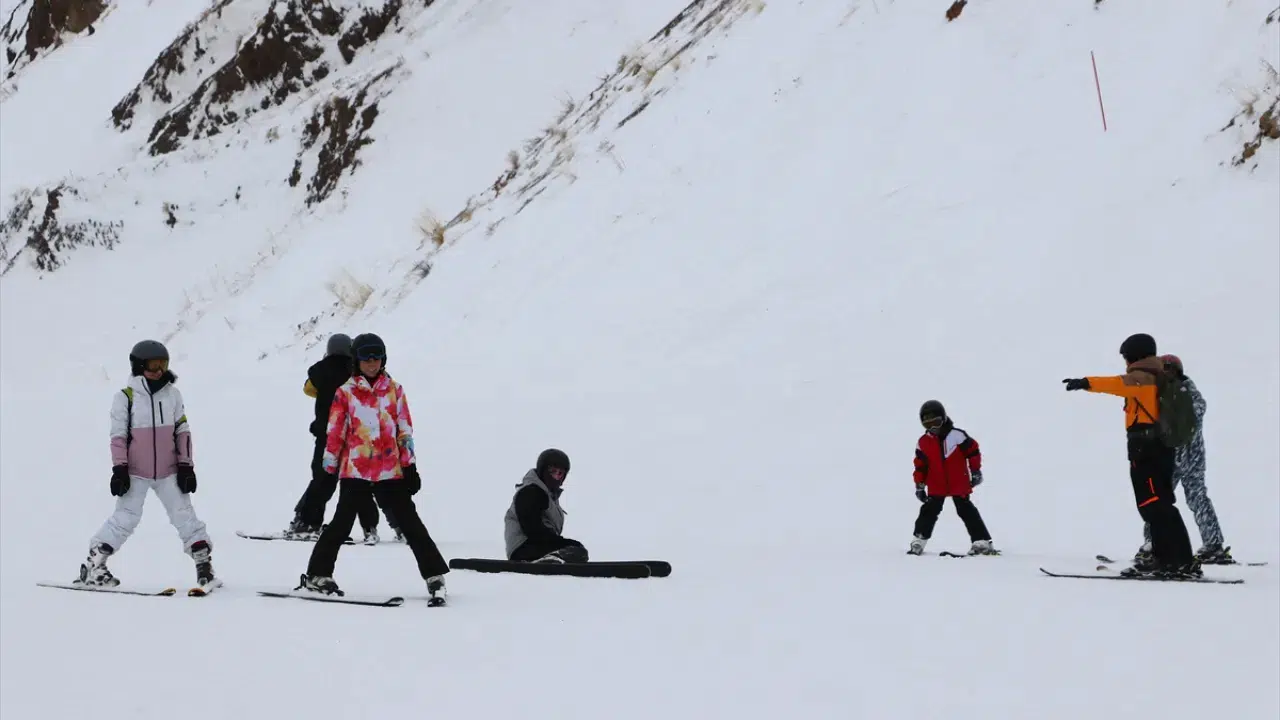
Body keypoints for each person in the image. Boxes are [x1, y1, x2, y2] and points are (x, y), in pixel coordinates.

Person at [297, 333, 448, 599]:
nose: (371, 362)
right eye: (366, 357)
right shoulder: (346, 392)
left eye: (376, 357)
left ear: (383, 359)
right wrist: (329, 465)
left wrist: (410, 466)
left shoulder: (394, 390)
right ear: (356, 360)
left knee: (410, 522)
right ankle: (318, 574)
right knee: (341, 523)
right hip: (356, 469)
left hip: (390, 470)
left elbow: (404, 430)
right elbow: (336, 431)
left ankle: (434, 575)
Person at [77, 340, 215, 588]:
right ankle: (95, 565)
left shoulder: (172, 394)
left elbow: (182, 430)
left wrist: (186, 465)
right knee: (125, 518)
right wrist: (120, 469)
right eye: (153, 365)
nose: (159, 370)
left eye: (163, 364)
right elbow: (118, 436)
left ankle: (204, 566)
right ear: (139, 366)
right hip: (136, 473)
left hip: (169, 471)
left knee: (185, 516)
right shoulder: (125, 398)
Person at [1063, 333, 1201, 578]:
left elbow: (1116, 384)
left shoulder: (1143, 377)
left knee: (1154, 505)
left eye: (1126, 356)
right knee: (1160, 504)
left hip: (1147, 450)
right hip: (1160, 449)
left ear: (1134, 355)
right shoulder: (1160, 377)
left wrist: (1085, 382)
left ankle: (1175, 561)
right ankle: (1173, 559)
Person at [287, 333, 399, 543]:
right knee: (365, 483)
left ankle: (307, 522)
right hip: (358, 438)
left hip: (326, 436)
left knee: (322, 481)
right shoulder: (357, 372)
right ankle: (380, 526)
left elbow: (308, 390)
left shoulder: (319, 372)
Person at [1134, 354, 1231, 564]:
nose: (1164, 371)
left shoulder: (1178, 394)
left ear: (1176, 370)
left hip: (1175, 458)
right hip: (1189, 458)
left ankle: (1153, 546)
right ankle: (1213, 545)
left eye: (1167, 367)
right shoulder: (1187, 394)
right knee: (1190, 499)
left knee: (1157, 499)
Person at [907, 401, 996, 556]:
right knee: (928, 512)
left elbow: (973, 452)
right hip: (936, 484)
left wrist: (975, 471)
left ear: (944, 418)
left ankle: (981, 541)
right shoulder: (923, 443)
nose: (933, 428)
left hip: (958, 482)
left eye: (936, 422)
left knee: (966, 510)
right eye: (927, 424)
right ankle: (919, 540)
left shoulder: (957, 436)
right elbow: (920, 466)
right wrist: (919, 485)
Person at [505, 448, 588, 563]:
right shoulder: (531, 492)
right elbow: (533, 528)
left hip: (538, 545)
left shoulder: (549, 497)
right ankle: (551, 559)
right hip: (524, 548)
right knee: (577, 550)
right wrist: (561, 543)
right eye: (553, 472)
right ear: (542, 471)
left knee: (577, 550)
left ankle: (552, 558)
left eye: (560, 474)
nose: (556, 477)